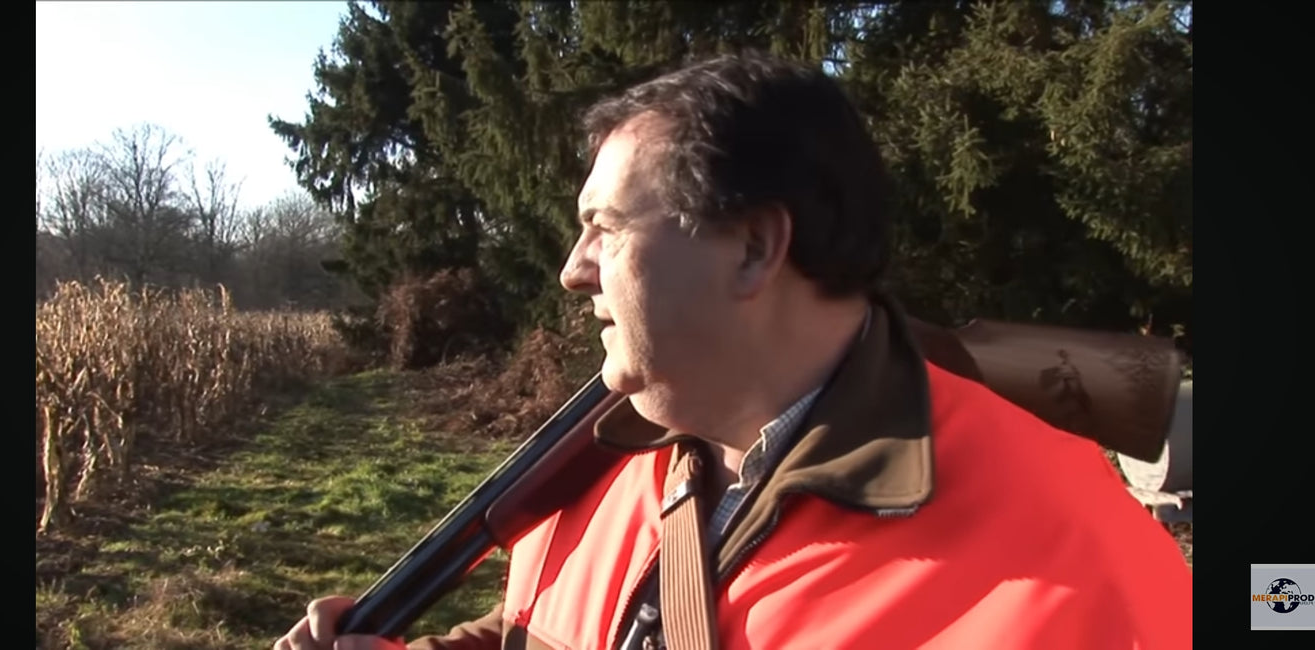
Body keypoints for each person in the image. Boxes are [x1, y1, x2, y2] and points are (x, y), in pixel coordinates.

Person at [275, 50, 1193, 650]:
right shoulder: (601, 451)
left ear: (754, 246)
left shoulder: (1069, 573)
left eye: (604, 228)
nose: (571, 270)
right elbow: (555, 625)